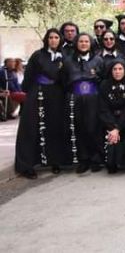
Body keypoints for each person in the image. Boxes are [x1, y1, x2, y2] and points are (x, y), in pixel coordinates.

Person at [14, 29, 67, 179]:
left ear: (60, 40)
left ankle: (54, 161)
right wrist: (31, 93)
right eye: (50, 37)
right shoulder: (38, 55)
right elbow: (28, 78)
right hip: (37, 93)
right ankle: (26, 165)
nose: (53, 40)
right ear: (46, 39)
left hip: (56, 95)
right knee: (31, 128)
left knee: (54, 127)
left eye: (56, 37)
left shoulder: (63, 57)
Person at [64, 33, 105, 173]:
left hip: (93, 98)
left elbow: (103, 79)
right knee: (79, 127)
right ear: (76, 43)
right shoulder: (68, 61)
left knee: (93, 128)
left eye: (86, 41)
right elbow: (64, 80)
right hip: (75, 98)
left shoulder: (98, 60)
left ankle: (96, 159)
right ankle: (84, 159)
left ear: (91, 43)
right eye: (81, 41)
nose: (83, 44)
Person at [98, 61, 125, 174]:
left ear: (124, 71)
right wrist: (112, 127)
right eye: (115, 69)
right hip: (109, 123)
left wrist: (118, 128)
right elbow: (103, 109)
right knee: (111, 167)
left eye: (120, 69)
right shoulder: (104, 85)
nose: (117, 72)